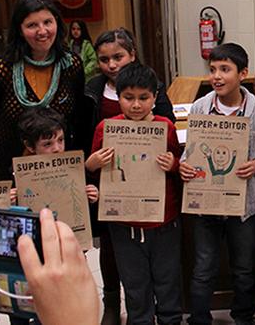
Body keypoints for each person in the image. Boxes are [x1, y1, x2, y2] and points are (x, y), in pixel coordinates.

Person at [179, 43, 255, 325]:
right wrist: (185, 165)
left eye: (225, 69)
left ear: (242, 73)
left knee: (244, 268)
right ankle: (199, 318)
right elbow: (191, 149)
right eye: (212, 70)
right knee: (203, 267)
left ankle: (243, 317)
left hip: (245, 205)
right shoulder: (200, 106)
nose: (217, 76)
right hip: (206, 205)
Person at [82, 28, 174, 325]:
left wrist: (172, 164)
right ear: (117, 97)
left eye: (143, 98)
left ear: (155, 96)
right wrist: (92, 163)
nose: (136, 105)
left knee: (167, 281)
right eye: (128, 98)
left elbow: (180, 166)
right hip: (123, 221)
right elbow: (92, 167)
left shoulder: (166, 127)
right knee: (135, 285)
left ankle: (170, 319)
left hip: (162, 218)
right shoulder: (104, 128)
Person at [0, 0, 85, 182]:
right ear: (20, 30)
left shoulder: (71, 65)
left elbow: (77, 116)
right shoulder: (1, 70)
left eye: (48, 22)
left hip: (56, 168)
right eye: (32, 25)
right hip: (7, 168)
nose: (42, 31)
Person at [13, 107, 99, 205]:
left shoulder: (74, 169)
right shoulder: (18, 176)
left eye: (61, 140)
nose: (57, 149)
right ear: (30, 146)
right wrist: (11, 203)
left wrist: (91, 195)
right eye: (48, 144)